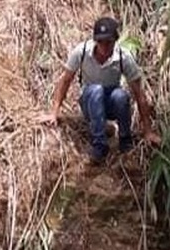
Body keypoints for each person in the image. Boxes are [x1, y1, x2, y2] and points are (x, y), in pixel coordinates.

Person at [42, 16, 160, 162]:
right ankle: (99, 145)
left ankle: (125, 141)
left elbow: (139, 94)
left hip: (111, 101)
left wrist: (148, 131)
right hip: (90, 100)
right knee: (96, 90)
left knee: (121, 95)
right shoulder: (82, 51)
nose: (104, 46)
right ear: (94, 40)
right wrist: (54, 112)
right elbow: (65, 80)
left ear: (115, 40)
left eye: (108, 42)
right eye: (100, 41)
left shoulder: (124, 57)